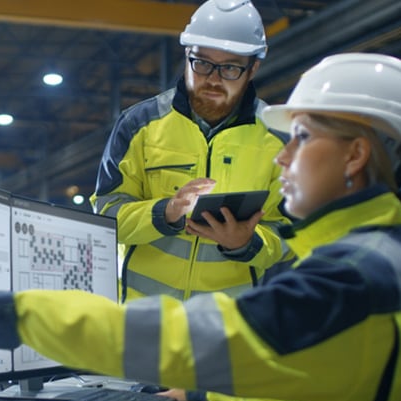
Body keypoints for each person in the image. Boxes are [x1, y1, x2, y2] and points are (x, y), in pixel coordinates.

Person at [0, 53, 401, 401]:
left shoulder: (354, 274)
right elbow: (307, 374)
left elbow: (188, 336)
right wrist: (202, 393)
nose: (282, 158)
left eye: (302, 138)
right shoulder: (381, 252)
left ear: (356, 156)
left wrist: (3, 308)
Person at [89, 0, 294, 303]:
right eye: (202, 63)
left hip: (226, 326)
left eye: (230, 68)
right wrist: (165, 213)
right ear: (187, 56)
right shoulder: (139, 125)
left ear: (253, 69)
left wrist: (247, 242)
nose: (213, 78)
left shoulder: (279, 139)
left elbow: (293, 232)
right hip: (142, 317)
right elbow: (105, 217)